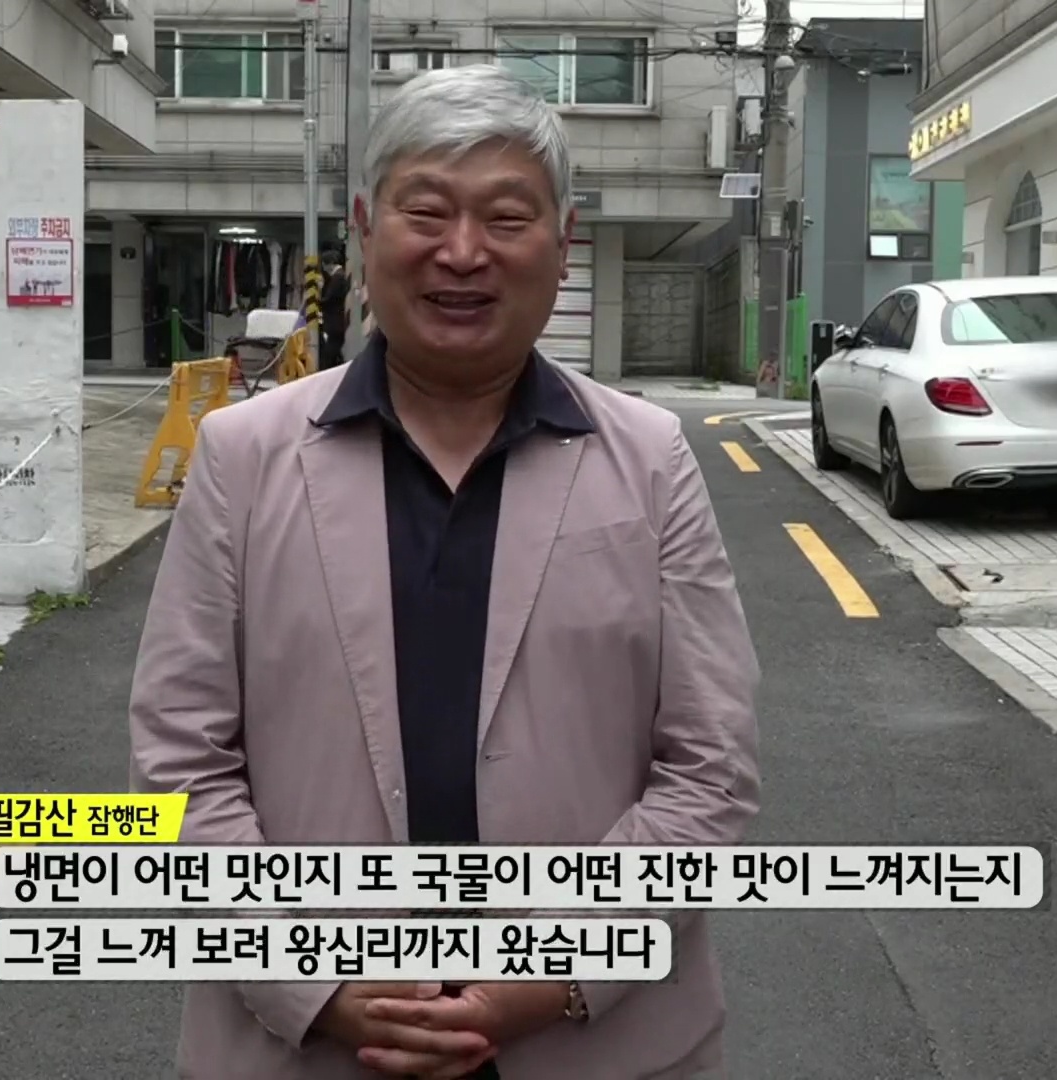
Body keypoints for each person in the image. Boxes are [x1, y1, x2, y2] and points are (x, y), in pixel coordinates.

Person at [129, 63, 761, 1079]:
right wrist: (310, 981)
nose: (463, 252)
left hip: (597, 1039)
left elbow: (711, 764)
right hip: (304, 1045)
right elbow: (180, 757)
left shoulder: (649, 459)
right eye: (426, 211)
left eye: (507, 218)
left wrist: (554, 969)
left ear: (562, 243)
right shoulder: (244, 456)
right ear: (364, 228)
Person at [319, 249, 351, 370]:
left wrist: (316, 300)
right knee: (334, 351)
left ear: (330, 263)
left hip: (335, 322)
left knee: (330, 352)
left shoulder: (337, 278)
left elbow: (329, 299)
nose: (323, 268)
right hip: (338, 322)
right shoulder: (340, 276)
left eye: (324, 264)